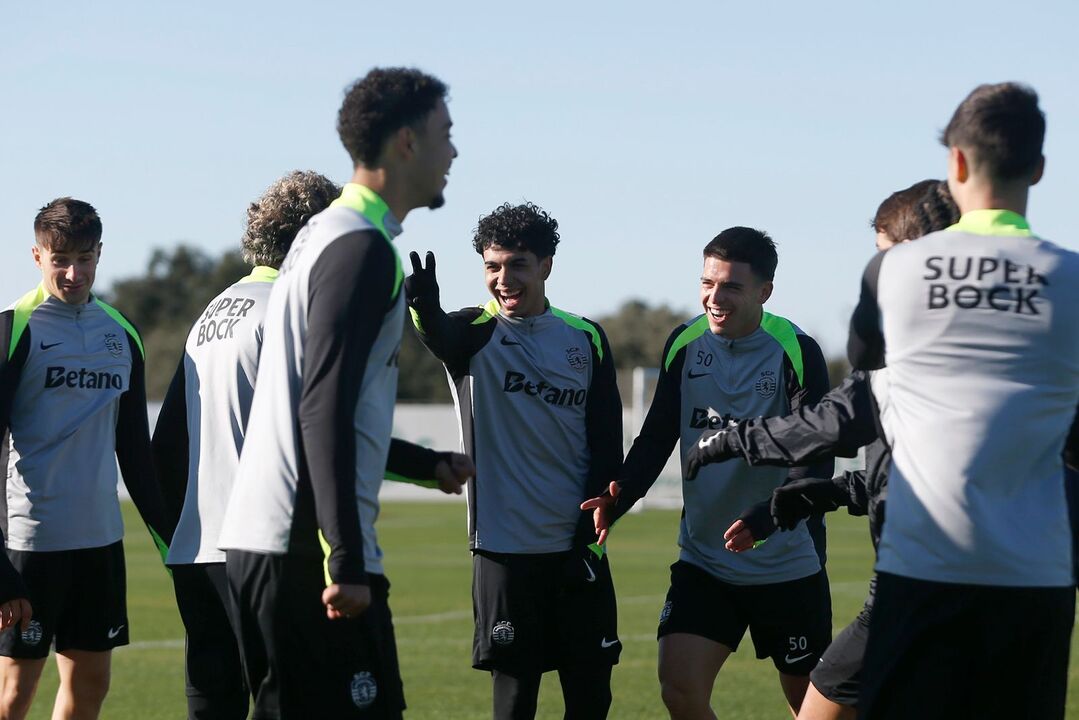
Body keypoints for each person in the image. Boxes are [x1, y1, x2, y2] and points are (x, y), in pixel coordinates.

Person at [151, 171, 472, 720]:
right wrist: (426, 464)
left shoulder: (210, 315)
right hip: (277, 550)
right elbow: (319, 422)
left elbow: (166, 446)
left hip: (196, 555)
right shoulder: (292, 306)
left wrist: (174, 541)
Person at [216, 67, 457, 720]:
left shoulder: (322, 238)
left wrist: (424, 464)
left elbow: (320, 404)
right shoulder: (359, 248)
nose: (454, 153)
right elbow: (320, 408)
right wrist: (345, 558)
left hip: (276, 540)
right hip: (306, 553)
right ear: (405, 142)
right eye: (445, 133)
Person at [682, 180, 960, 720]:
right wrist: (815, 496)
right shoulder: (1008, 338)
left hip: (919, 581)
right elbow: (905, 472)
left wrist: (734, 442)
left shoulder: (912, 352)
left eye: (883, 259)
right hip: (1019, 586)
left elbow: (832, 423)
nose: (876, 275)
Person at [847, 83, 1079, 719]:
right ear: (1037, 168)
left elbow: (870, 382)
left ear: (954, 164)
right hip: (1034, 578)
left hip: (922, 567)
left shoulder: (890, 272)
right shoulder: (1075, 280)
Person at [582, 227, 833, 719]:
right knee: (679, 689)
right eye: (707, 283)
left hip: (786, 561)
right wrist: (622, 495)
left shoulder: (797, 351)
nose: (714, 298)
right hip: (705, 560)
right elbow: (657, 435)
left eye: (731, 287)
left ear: (765, 292)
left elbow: (815, 457)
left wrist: (767, 518)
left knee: (813, 708)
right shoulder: (685, 343)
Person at [404, 201, 623, 720]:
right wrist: (422, 307)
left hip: (577, 547)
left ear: (546, 265)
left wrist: (594, 523)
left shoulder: (586, 338)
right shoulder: (473, 332)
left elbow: (606, 439)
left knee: (591, 699)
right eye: (492, 266)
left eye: (517, 264)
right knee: (515, 701)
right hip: (503, 551)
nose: (503, 279)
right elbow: (438, 333)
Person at [0, 198, 174, 720]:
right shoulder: (13, 329)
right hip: (29, 545)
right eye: (60, 260)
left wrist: (173, 543)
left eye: (85, 257)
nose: (73, 272)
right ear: (37, 256)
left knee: (91, 686)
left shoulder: (122, 333)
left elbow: (135, 454)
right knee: (13, 695)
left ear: (100, 253)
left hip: (100, 543)